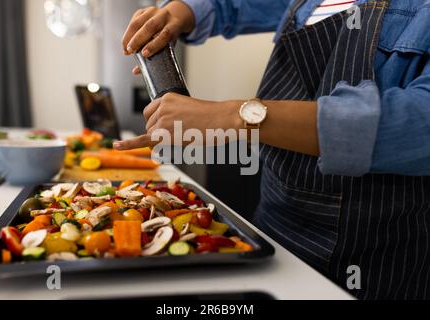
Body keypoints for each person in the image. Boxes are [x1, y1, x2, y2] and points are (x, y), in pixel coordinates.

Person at [115, 0, 430, 300]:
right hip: (274, 226)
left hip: (372, 253)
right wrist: (179, 12)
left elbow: (417, 125)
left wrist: (235, 116)